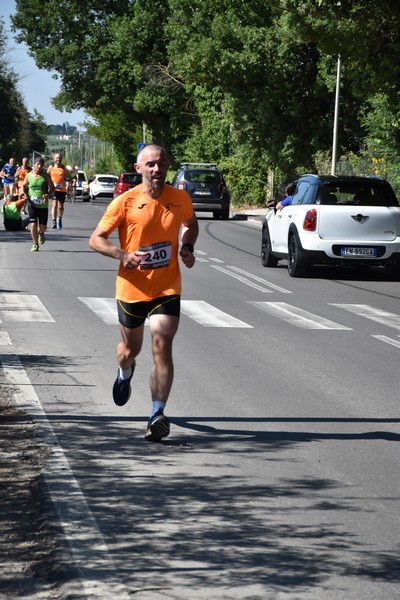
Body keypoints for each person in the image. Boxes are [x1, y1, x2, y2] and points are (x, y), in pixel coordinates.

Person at [89, 144, 198, 442]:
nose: (156, 168)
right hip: (132, 288)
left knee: (162, 343)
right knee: (130, 351)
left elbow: (191, 225)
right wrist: (121, 254)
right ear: (139, 169)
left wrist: (187, 247)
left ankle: (156, 414)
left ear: (167, 166)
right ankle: (125, 371)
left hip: (166, 286)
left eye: (161, 163)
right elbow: (96, 240)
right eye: (150, 164)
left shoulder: (180, 198)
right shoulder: (124, 202)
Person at [21, 157, 55, 251]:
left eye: (41, 164)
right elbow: (23, 185)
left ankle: (41, 233)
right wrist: (26, 195)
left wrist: (47, 195)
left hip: (43, 205)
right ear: (34, 164)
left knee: (43, 227)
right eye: (37, 164)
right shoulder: (29, 175)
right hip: (32, 204)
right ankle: (35, 244)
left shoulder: (46, 176)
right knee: (33, 224)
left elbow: (52, 188)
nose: (39, 166)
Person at [47, 152, 72, 229]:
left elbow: (70, 179)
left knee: (61, 207)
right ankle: (54, 221)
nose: (58, 159)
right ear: (54, 159)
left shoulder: (64, 169)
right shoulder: (50, 168)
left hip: (62, 190)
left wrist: (64, 178)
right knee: (54, 205)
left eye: (60, 158)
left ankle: (59, 218)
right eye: (57, 158)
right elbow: (46, 177)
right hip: (54, 189)